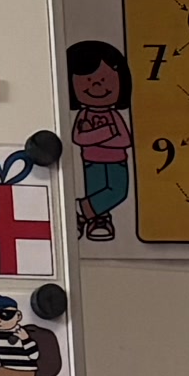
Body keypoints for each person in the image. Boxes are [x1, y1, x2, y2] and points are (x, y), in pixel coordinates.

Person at [65, 39, 132, 242]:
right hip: (91, 161)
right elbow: (79, 138)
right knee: (96, 191)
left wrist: (97, 135)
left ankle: (80, 211)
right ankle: (98, 220)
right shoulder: (84, 115)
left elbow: (124, 140)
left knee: (117, 192)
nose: (96, 86)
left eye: (104, 79)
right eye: (87, 80)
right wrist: (107, 132)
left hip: (117, 162)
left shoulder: (113, 116)